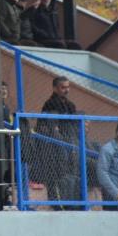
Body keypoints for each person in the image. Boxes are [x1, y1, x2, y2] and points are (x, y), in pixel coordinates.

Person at [36, 76, 79, 207]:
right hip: (53, 149)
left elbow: (74, 126)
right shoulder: (50, 104)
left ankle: (70, 202)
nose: (66, 90)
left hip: (69, 144)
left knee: (71, 174)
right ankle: (58, 203)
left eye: (68, 87)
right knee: (57, 177)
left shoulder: (70, 105)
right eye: (63, 87)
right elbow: (47, 127)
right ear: (55, 88)